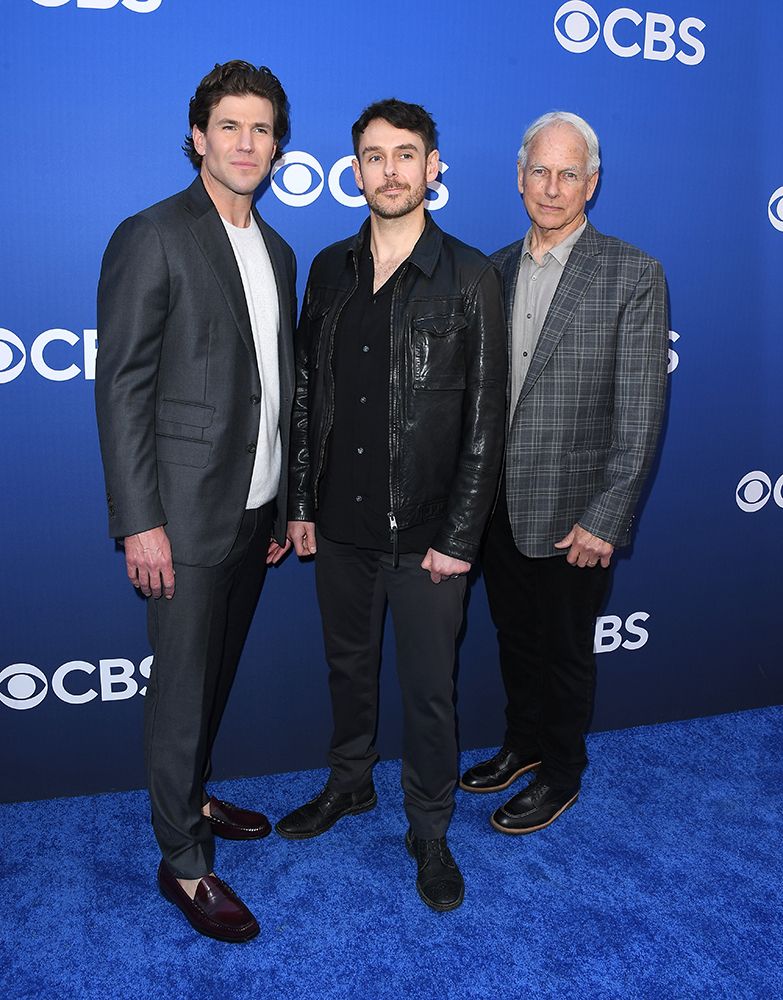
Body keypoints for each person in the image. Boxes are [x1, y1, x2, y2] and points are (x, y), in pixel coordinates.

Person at [277, 98, 506, 911]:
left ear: (433, 166)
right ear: (356, 169)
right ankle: (349, 784)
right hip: (339, 524)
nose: (389, 170)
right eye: (373, 156)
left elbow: (486, 422)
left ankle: (430, 827)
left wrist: (459, 537)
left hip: (428, 536)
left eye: (405, 154)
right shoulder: (329, 268)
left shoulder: (471, 275)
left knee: (428, 688)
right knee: (348, 668)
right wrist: (299, 499)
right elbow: (306, 394)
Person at [95, 60, 296, 942]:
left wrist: (285, 500)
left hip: (254, 510)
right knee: (178, 693)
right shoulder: (153, 234)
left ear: (277, 144)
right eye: (229, 127)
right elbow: (124, 390)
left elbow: (273, 388)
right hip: (178, 517)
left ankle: (194, 799)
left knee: (211, 680)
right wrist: (141, 520)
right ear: (197, 137)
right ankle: (182, 862)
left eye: (261, 129)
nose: (245, 143)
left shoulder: (278, 249)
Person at [461, 111, 668, 835]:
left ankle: (560, 770)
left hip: (575, 514)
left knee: (565, 653)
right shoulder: (489, 270)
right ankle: (521, 744)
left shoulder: (632, 273)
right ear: (519, 179)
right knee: (513, 641)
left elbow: (640, 411)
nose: (552, 188)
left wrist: (606, 516)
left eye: (568, 173)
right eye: (539, 172)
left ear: (592, 183)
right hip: (495, 511)